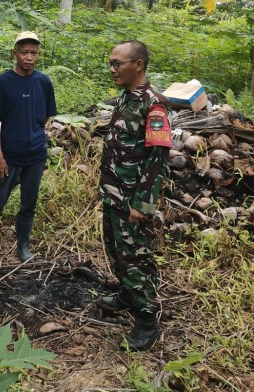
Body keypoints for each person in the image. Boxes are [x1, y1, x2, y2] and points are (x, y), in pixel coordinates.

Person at [98, 40, 172, 352]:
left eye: (118, 63)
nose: (112, 68)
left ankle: (146, 318)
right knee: (117, 251)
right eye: (111, 63)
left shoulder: (154, 104)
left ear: (138, 65)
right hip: (115, 193)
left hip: (133, 200)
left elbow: (158, 157)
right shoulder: (127, 98)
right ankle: (128, 296)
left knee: (136, 258)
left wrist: (143, 204)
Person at [0, 31, 57, 270]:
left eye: (34, 53)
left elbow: (47, 115)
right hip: (8, 156)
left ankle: (23, 247)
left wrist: (35, 132)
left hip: (35, 155)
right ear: (15, 54)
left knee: (29, 203)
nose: (29, 57)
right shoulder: (2, 83)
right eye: (25, 52)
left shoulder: (43, 82)